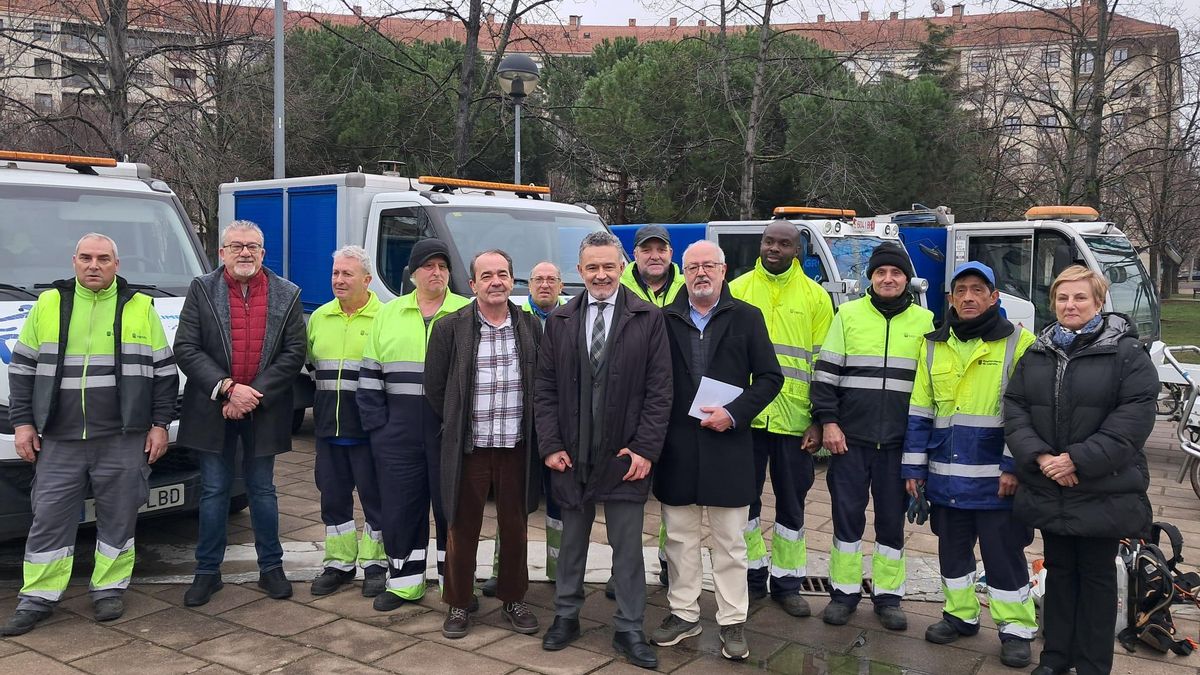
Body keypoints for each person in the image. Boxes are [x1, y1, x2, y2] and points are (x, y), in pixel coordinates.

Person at [1, 234, 177, 635]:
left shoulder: (140, 307)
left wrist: (159, 425)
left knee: (119, 516)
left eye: (102, 258)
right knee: (48, 517)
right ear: (74, 261)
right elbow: (23, 370)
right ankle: (38, 598)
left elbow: (165, 374)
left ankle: (109, 588)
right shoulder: (49, 304)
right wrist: (23, 423)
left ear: (117, 263)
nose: (93, 265)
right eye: (85, 258)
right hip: (59, 438)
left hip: (122, 436)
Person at [1004, 265, 1157, 675]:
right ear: (1052, 302)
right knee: (1058, 572)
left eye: (1080, 298)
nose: (1070, 305)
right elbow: (1015, 408)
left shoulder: (1127, 354)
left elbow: (1132, 422)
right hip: (1051, 484)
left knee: (1096, 580)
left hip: (1100, 487)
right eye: (1062, 298)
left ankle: (1091, 665)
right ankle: (1054, 658)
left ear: (1099, 302)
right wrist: (1040, 458)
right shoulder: (1039, 351)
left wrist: (1076, 460)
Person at [535, 231, 671, 670]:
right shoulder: (561, 320)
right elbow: (545, 389)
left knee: (627, 549)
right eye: (592, 267)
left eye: (608, 266)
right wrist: (551, 445)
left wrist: (645, 450)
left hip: (624, 458)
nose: (600, 275)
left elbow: (659, 391)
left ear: (621, 267)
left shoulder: (647, 318)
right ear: (579, 272)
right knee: (570, 543)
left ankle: (630, 627)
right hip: (571, 456)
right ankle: (566, 616)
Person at [650, 241, 782, 661]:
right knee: (681, 540)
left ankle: (732, 621)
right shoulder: (663, 320)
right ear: (682, 273)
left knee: (730, 542)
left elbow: (769, 378)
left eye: (709, 266)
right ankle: (684, 614)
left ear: (724, 271)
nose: (701, 273)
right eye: (693, 267)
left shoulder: (747, 317)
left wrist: (734, 412)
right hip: (677, 447)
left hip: (728, 445)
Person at [901, 261, 1037, 668]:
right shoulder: (931, 345)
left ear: (994, 297)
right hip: (945, 477)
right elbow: (920, 410)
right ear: (951, 299)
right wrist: (913, 470)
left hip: (997, 479)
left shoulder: (1020, 342)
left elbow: (1027, 412)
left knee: (1004, 556)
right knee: (952, 554)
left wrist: (1014, 466)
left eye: (978, 290)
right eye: (961, 291)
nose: (969, 297)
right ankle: (960, 616)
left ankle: (1015, 629)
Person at [175, 221, 306, 607]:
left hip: (263, 410)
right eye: (236, 246)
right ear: (222, 252)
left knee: (262, 491)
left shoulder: (287, 293)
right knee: (214, 491)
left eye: (253, 246)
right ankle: (207, 573)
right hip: (213, 406)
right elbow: (187, 348)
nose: (245, 252)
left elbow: (294, 352)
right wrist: (229, 389)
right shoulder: (201, 289)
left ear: (264, 253)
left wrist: (253, 395)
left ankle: (272, 569)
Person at [811, 242, 933, 630]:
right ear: (871, 277)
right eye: (880, 272)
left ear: (906, 279)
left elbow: (932, 387)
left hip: (898, 443)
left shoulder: (926, 322)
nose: (888, 278)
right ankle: (844, 593)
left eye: (895, 272)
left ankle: (888, 596)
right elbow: (825, 376)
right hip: (850, 439)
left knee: (891, 521)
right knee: (846, 518)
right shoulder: (847, 315)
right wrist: (828, 422)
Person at [425, 249, 542, 639]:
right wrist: (459, 426)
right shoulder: (449, 328)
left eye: (503, 274)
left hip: (515, 446)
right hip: (469, 449)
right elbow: (435, 389)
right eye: (487, 275)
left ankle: (514, 598)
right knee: (462, 527)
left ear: (512, 281)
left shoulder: (528, 326)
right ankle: (459, 603)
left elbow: (539, 384)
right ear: (472, 284)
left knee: (516, 527)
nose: (496, 281)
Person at [358, 239, 470, 611]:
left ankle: (455, 587)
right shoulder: (388, 315)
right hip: (398, 435)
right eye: (428, 266)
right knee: (401, 508)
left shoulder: (467, 313)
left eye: (442, 266)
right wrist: (379, 431)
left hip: (450, 435)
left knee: (453, 512)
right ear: (413, 273)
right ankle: (405, 584)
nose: (435, 272)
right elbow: (370, 377)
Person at [728, 221, 833, 617]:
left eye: (784, 243)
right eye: (769, 241)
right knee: (744, 505)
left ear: (798, 250)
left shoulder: (816, 298)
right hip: (747, 421)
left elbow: (824, 367)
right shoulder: (736, 290)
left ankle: (788, 583)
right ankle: (752, 576)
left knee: (792, 506)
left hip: (796, 425)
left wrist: (820, 420)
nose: (774, 248)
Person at [481, 261, 565, 599]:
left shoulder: (571, 318)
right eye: (538, 279)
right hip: (520, 430)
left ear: (561, 285)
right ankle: (503, 571)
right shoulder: (514, 319)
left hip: (561, 431)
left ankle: (561, 573)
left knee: (560, 505)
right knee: (511, 504)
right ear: (528, 284)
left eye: (551, 279)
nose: (544, 285)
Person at [306, 246, 387, 598]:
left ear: (367, 280)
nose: (339, 280)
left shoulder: (386, 318)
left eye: (347, 274)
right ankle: (338, 564)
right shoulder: (320, 318)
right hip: (327, 430)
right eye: (336, 273)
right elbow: (313, 368)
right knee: (333, 501)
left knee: (376, 502)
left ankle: (375, 565)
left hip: (369, 432)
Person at [620, 224, 684, 308]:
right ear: (636, 255)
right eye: (646, 250)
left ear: (670, 254)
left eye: (661, 250)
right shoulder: (620, 288)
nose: (655, 257)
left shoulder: (687, 286)